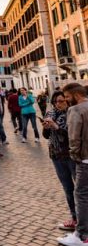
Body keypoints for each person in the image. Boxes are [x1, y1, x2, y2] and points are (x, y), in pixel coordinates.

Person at [58, 83, 88, 246]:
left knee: (82, 196)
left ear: (76, 95)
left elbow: (74, 138)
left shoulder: (75, 110)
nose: (66, 101)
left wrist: (75, 156)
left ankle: (83, 236)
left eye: (68, 97)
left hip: (84, 160)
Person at [43, 91, 77, 232]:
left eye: (61, 101)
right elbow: (47, 136)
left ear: (67, 101)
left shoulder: (72, 114)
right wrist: (46, 127)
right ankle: (75, 217)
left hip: (71, 155)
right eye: (56, 101)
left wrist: (57, 126)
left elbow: (72, 135)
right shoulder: (51, 114)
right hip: (56, 156)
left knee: (81, 189)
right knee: (68, 188)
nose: (58, 104)